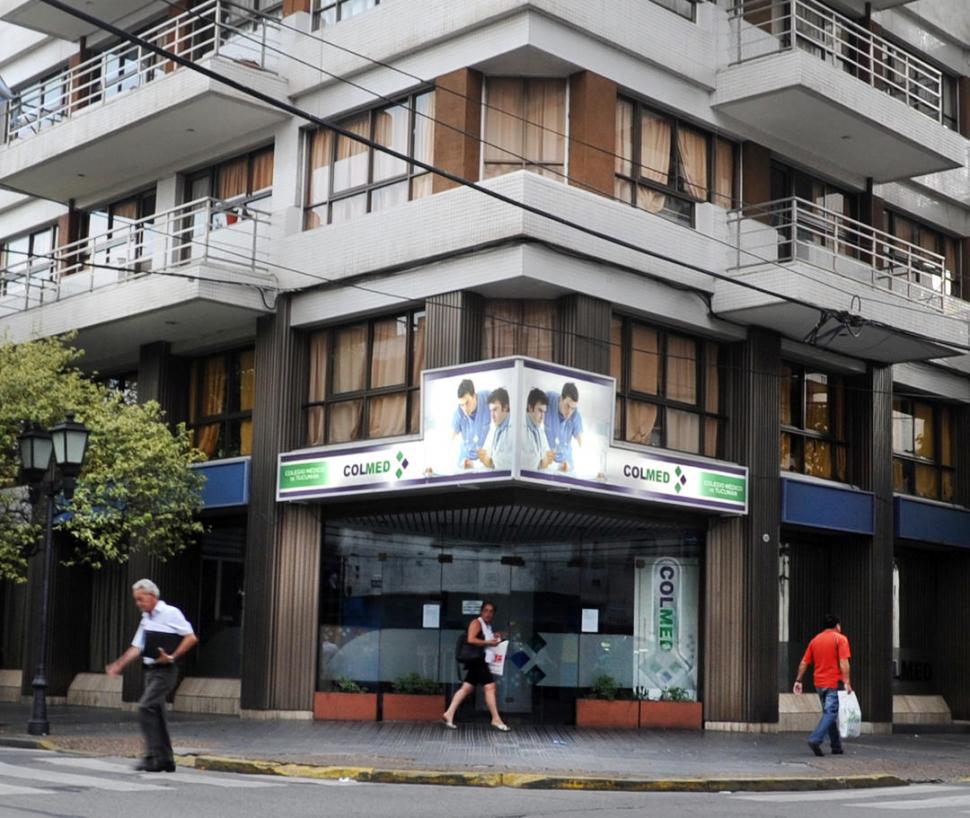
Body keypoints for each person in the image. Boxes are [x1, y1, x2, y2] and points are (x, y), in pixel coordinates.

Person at [106, 579, 198, 772]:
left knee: (145, 706)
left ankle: (151, 756)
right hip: (150, 670)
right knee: (157, 713)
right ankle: (166, 760)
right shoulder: (146, 618)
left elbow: (191, 637)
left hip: (166, 670)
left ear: (152, 596)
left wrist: (172, 656)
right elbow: (137, 647)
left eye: (141, 599)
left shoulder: (171, 613)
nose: (138, 604)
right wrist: (118, 665)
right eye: (136, 600)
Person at [442, 601, 510, 731]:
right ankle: (496, 718)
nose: (488, 613)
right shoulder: (476, 623)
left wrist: (494, 637)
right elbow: (471, 639)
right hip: (478, 660)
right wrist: (488, 642)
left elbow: (485, 640)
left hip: (478, 660)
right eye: (486, 610)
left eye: (491, 611)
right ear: (481, 611)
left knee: (466, 688)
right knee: (490, 687)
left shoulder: (487, 626)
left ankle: (449, 713)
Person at [793, 613, 852, 757]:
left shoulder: (815, 640)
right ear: (837, 625)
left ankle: (836, 746)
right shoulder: (841, 639)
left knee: (829, 713)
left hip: (819, 684)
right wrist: (847, 682)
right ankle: (815, 739)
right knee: (831, 713)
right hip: (833, 683)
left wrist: (798, 680)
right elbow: (844, 662)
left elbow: (804, 662)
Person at [451, 378, 491, 469]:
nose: (464, 408)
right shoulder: (458, 413)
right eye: (461, 405)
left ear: (474, 396)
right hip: (467, 462)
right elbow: (451, 440)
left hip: (487, 459)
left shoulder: (488, 398)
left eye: (467, 403)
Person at [544, 382, 583, 472]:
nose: (569, 412)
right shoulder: (548, 399)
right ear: (561, 398)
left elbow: (581, 445)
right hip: (547, 460)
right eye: (567, 406)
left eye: (573, 408)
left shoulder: (576, 416)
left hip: (566, 463)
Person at [477, 387, 512, 470]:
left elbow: (509, 464)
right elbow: (489, 454)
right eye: (490, 411)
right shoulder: (497, 428)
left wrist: (490, 462)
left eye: (495, 409)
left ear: (505, 408)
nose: (492, 416)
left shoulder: (512, 430)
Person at [522, 388, 556, 471]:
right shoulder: (520, 430)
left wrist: (558, 464)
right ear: (530, 408)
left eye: (544, 412)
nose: (542, 417)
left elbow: (546, 457)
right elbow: (522, 464)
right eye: (540, 411)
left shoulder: (540, 431)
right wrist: (542, 464)